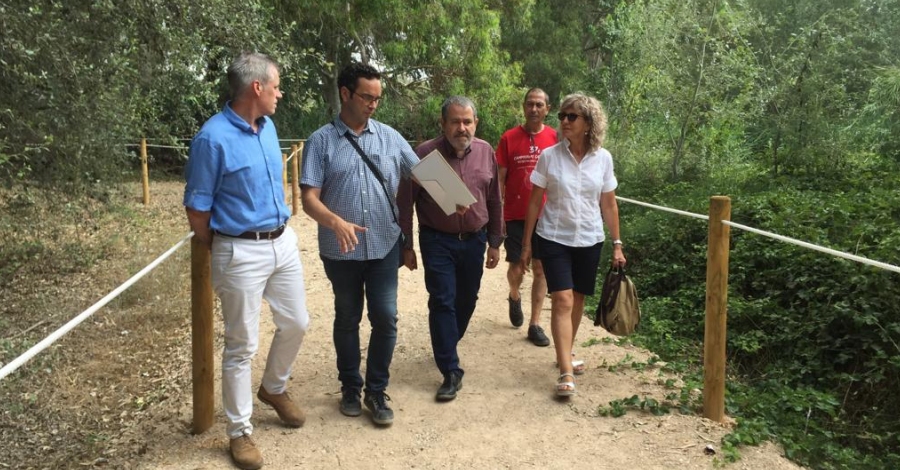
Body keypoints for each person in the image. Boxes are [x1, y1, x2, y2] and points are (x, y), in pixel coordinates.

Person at [184, 52, 309, 470]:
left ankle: (273, 387)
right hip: (240, 250)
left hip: (282, 242)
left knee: (297, 322)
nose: (280, 92)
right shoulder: (212, 138)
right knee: (241, 345)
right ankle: (239, 432)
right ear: (257, 88)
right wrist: (222, 245)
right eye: (276, 86)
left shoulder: (269, 126)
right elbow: (197, 209)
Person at [300, 63, 418, 426]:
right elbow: (308, 198)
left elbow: (424, 174)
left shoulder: (390, 137)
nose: (373, 105)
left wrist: (457, 196)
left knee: (386, 317)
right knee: (347, 317)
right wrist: (334, 221)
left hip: (384, 245)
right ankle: (350, 385)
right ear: (346, 93)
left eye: (377, 98)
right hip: (341, 250)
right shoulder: (321, 141)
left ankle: (376, 389)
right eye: (367, 97)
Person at [520, 93, 626, 398]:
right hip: (554, 237)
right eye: (562, 116)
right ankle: (566, 371)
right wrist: (527, 244)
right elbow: (534, 201)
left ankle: (563, 352)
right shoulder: (550, 157)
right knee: (563, 300)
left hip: (590, 239)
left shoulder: (603, 159)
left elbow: (609, 204)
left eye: (572, 116)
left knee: (578, 300)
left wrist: (617, 243)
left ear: (589, 123)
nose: (564, 121)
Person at [397, 96, 503, 402]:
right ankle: (450, 369)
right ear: (442, 124)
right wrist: (407, 244)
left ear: (475, 124)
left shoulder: (486, 152)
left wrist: (495, 241)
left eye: (467, 121)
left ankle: (446, 342)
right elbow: (405, 202)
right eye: (455, 121)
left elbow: (495, 198)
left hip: (475, 240)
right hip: (437, 240)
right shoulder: (424, 155)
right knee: (442, 300)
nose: (461, 128)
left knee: (467, 299)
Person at [496, 88, 558, 346]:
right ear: (524, 107)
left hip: (547, 215)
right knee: (517, 267)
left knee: (541, 269)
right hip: (514, 213)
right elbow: (500, 177)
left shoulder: (556, 137)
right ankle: (514, 294)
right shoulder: (509, 138)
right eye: (530, 104)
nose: (534, 109)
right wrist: (497, 211)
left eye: (539, 104)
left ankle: (535, 324)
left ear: (547, 108)